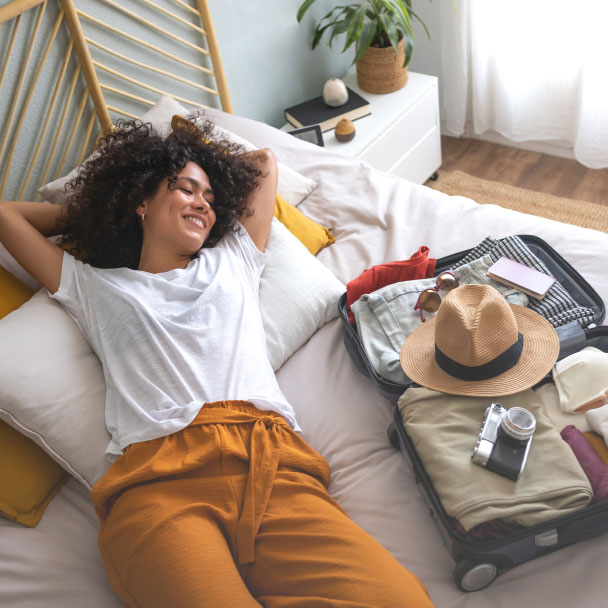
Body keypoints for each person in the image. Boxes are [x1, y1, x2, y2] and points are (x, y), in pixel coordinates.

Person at [0, 118, 433, 608]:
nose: (202, 202)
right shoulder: (94, 286)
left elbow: (264, 163)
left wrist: (203, 181)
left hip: (270, 463)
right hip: (160, 482)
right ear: (142, 201)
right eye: (185, 189)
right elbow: (8, 217)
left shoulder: (234, 257)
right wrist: (106, 210)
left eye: (209, 196)